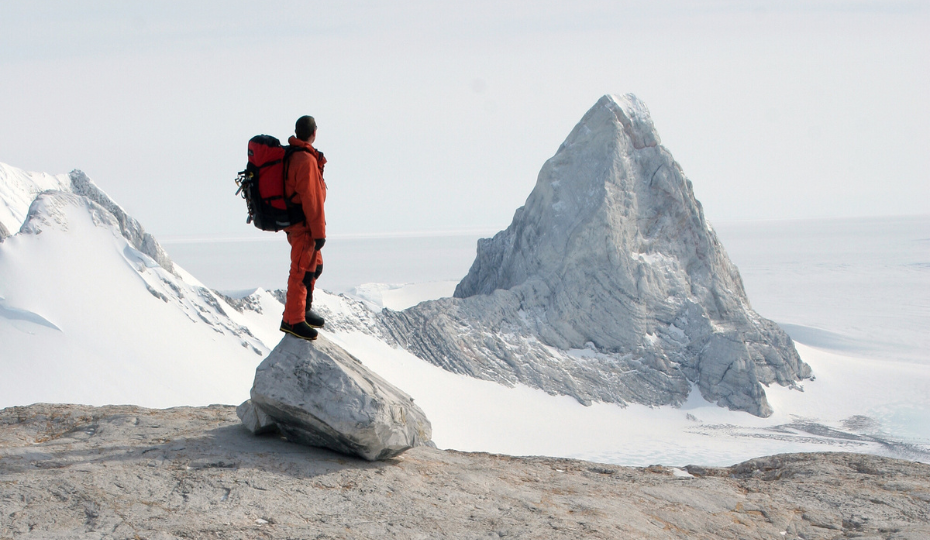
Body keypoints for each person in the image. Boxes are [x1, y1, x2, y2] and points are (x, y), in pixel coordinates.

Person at [280, 115, 327, 341]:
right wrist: (319, 234)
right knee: (300, 271)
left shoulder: (298, 156)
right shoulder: (305, 161)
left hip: (304, 224)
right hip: (304, 226)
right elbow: (312, 200)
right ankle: (293, 320)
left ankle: (303, 310)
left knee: (313, 268)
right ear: (313, 132)